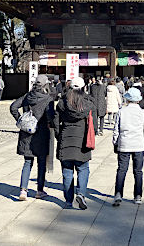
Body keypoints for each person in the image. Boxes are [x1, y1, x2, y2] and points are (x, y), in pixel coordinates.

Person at [53, 77, 97, 210]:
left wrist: (59, 136)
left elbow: (56, 122)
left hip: (65, 139)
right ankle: (81, 194)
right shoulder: (88, 104)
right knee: (83, 169)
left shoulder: (62, 103)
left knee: (67, 171)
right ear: (84, 87)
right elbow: (94, 124)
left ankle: (68, 201)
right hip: (82, 141)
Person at [9, 74, 53, 201]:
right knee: (41, 163)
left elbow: (13, 107)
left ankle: (23, 190)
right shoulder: (47, 99)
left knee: (27, 162)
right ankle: (39, 190)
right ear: (46, 85)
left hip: (27, 133)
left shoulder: (28, 96)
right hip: (42, 134)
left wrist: (21, 120)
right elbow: (50, 117)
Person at [112, 88, 144, 206]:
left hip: (124, 144)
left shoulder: (121, 111)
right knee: (138, 171)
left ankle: (118, 194)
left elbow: (116, 130)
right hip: (138, 145)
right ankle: (138, 196)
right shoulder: (143, 112)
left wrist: (115, 143)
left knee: (121, 170)